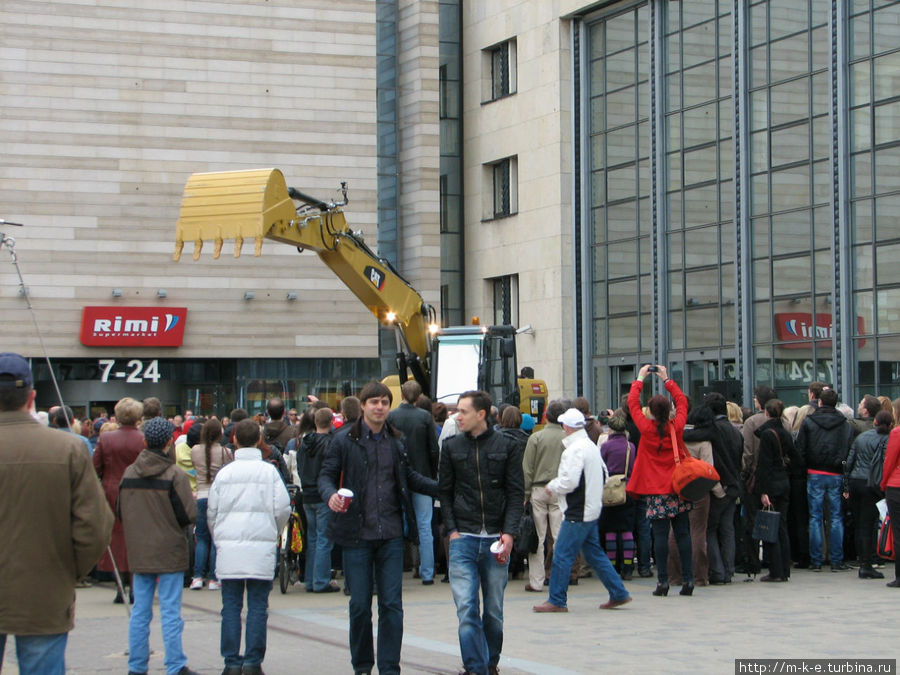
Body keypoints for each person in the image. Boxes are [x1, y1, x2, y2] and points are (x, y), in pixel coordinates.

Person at [0, 353, 113, 674]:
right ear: (32, 397)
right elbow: (95, 525)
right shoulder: (68, 449)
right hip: (45, 590)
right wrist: (69, 572)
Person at [318, 381, 437, 675]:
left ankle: (389, 667)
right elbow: (326, 476)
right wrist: (330, 494)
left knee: (392, 606)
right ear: (363, 406)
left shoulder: (396, 440)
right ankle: (361, 666)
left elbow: (409, 476)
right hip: (357, 534)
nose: (380, 407)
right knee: (359, 605)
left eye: (384, 402)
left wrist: (442, 488)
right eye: (374, 402)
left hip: (391, 534)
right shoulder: (344, 440)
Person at [439, 390, 524, 675]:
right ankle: (475, 668)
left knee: (493, 611)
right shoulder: (451, 447)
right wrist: (451, 531)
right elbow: (445, 493)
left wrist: (509, 533)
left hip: (496, 540)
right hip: (463, 537)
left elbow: (515, 492)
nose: (457, 416)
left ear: (481, 414)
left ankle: (490, 663)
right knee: (466, 608)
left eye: (463, 411)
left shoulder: (507, 446)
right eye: (457, 411)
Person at [208, 418, 291, 675]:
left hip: (230, 547)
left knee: (230, 606)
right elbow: (282, 509)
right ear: (259, 440)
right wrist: (273, 531)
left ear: (233, 440)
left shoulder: (224, 474)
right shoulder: (269, 472)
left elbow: (212, 512)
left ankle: (232, 662)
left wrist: (220, 537)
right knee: (257, 606)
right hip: (260, 545)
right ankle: (253, 662)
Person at [118, 416, 199, 675]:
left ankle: (137, 666)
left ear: (144, 441)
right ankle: (175, 665)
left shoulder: (129, 473)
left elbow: (121, 511)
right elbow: (188, 515)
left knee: (140, 612)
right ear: (169, 442)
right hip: (169, 549)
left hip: (140, 550)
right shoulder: (174, 475)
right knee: (170, 611)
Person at [533, 408, 631, 613]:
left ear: (566, 427)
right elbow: (604, 473)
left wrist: (553, 486)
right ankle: (618, 592)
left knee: (561, 554)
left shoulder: (574, 450)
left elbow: (569, 481)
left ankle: (557, 599)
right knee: (594, 554)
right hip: (592, 508)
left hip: (578, 510)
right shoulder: (589, 446)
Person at [626, 364, 694, 597]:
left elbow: (632, 404)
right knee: (683, 534)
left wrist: (640, 378)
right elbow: (683, 403)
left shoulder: (646, 428)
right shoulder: (677, 427)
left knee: (660, 536)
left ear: (651, 412)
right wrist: (667, 379)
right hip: (678, 488)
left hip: (656, 490)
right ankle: (688, 580)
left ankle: (662, 582)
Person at [684, 393, 742, 585]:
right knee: (728, 529)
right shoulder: (735, 431)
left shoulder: (711, 432)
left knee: (710, 529)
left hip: (718, 486)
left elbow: (694, 437)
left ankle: (717, 571)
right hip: (733, 483)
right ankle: (729, 569)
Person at [387, 380, 440, 585]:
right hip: (423, 476)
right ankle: (427, 572)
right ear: (419, 398)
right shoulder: (425, 417)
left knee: (398, 524)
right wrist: (432, 474)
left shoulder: (392, 416)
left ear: (401, 395)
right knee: (425, 525)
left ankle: (397, 570)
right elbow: (433, 449)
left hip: (398, 478)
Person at [93, 396, 146, 603]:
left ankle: (119, 586)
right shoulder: (143, 439)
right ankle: (134, 586)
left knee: (116, 538)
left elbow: (95, 467)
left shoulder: (106, 439)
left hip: (111, 491)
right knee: (135, 538)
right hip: (138, 492)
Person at [795, 387, 854, 572]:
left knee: (815, 517)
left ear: (819, 401)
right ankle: (836, 560)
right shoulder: (844, 424)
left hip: (814, 472)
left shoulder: (809, 422)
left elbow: (800, 448)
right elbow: (848, 449)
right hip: (836, 472)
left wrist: (805, 467)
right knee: (836, 517)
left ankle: (816, 560)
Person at [521, 400, 566, 592]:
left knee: (537, 538)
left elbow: (527, 469)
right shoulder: (567, 438)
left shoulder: (535, 438)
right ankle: (560, 579)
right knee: (559, 537)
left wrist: (526, 493)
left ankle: (536, 581)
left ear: (545, 415)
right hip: (560, 490)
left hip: (539, 489)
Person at [754, 399, 801, 582]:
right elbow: (796, 459)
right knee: (781, 526)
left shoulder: (767, 435)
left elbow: (763, 465)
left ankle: (776, 570)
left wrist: (763, 491)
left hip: (772, 483)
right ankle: (784, 569)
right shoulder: (785, 433)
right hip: (784, 481)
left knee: (771, 526)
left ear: (766, 413)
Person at [844, 409, 892, 579]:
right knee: (869, 524)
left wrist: (846, 486)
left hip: (856, 481)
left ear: (875, 422)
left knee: (860, 524)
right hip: (873, 484)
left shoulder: (861, 437)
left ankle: (862, 561)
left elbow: (848, 462)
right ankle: (867, 564)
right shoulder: (889, 439)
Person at [190, 417, 233, 591]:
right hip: (218, 497)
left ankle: (198, 576)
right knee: (216, 538)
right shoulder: (225, 453)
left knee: (201, 538)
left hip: (200, 495)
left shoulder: (195, 450)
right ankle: (215, 578)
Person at [300, 407, 339, 592]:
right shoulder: (331, 444)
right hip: (323, 494)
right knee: (324, 538)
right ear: (331, 422)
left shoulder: (303, 443)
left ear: (315, 422)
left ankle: (310, 579)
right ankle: (321, 581)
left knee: (313, 538)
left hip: (307, 494)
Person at [598, 414, 637, 579]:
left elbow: (601, 467)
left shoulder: (606, 447)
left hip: (609, 490)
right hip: (627, 488)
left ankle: (612, 566)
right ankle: (628, 566)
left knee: (610, 530)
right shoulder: (631, 447)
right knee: (627, 529)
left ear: (611, 429)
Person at [880, 418, 900, 588]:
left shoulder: (896, 433)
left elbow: (890, 461)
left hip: (897, 485)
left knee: (898, 533)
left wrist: (883, 483)